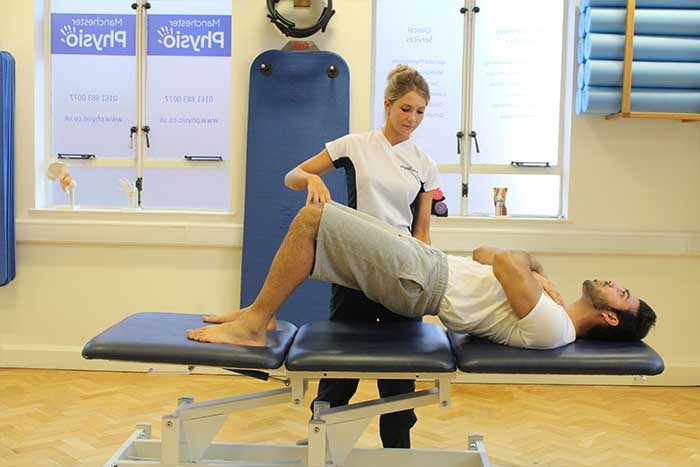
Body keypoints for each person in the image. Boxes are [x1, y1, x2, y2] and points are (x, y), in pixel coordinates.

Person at [205, 64, 439, 449]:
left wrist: (426, 280)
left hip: (400, 272)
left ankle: (398, 456)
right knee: (340, 367)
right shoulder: (354, 146)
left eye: (420, 112)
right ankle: (320, 447)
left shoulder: (426, 164)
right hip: (354, 268)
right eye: (405, 110)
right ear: (387, 105)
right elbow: (291, 176)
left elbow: (422, 232)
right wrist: (312, 178)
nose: (412, 119)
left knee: (398, 379)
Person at [188, 201, 657, 352]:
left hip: (422, 281)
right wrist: (525, 271)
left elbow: (507, 261)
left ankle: (254, 324)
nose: (615, 283)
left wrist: (533, 268)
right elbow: (482, 253)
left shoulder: (555, 328)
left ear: (612, 318)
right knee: (315, 225)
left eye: (624, 294)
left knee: (313, 220)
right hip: (428, 265)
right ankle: (258, 313)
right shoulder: (548, 307)